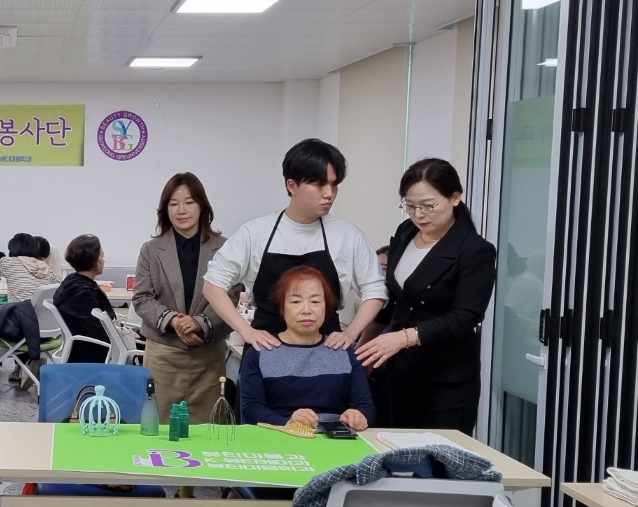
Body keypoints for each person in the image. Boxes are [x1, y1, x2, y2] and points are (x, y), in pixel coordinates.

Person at [203, 138, 387, 355]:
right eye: (319, 185)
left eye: (334, 184)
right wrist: (245, 330)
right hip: (267, 348)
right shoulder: (255, 233)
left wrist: (350, 334)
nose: (329, 193)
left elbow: (375, 290)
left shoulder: (347, 235)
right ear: (292, 186)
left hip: (328, 349)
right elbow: (212, 285)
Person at [356, 158, 497, 434]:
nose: (418, 215)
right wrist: (363, 350)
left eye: (428, 206)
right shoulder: (406, 233)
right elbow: (394, 300)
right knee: (386, 447)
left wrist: (403, 338)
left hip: (444, 379)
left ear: (454, 198)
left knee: (434, 455)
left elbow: (465, 317)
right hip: (396, 370)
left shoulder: (474, 250)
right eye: (410, 206)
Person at [133, 172, 228, 423]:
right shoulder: (151, 250)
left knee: (207, 430)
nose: (181, 210)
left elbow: (230, 297)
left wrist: (199, 323)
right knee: (160, 426)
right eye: (173, 203)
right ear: (165, 210)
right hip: (164, 354)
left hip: (208, 355)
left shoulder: (223, 247)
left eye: (189, 202)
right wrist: (175, 321)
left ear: (202, 206)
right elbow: (142, 298)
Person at [239, 265, 374, 431]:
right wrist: (288, 422)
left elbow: (365, 406)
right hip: (280, 435)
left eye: (315, 301)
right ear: (282, 308)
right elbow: (251, 408)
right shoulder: (260, 353)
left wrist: (358, 416)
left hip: (335, 438)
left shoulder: (344, 351)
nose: (307, 310)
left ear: (326, 307)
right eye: (296, 302)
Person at [0, 234, 59, 385]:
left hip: (18, 330)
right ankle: (29, 362)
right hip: (44, 331)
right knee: (19, 314)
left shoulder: (10, 263)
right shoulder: (45, 268)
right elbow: (58, 286)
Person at [52, 234, 121, 364]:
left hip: (84, 348)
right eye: (102, 256)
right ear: (93, 260)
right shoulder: (82, 293)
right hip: (92, 353)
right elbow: (98, 332)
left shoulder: (72, 284)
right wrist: (123, 336)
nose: (104, 260)